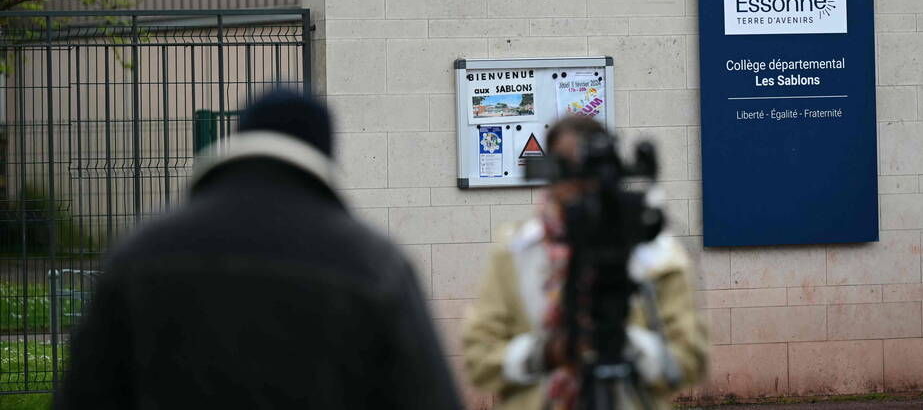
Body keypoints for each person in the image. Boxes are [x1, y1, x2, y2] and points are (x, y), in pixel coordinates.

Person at [57, 90, 462, 410]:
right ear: (325, 157)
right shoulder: (374, 264)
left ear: (241, 141)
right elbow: (426, 396)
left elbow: (84, 394)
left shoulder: (140, 252)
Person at [462, 115, 707, 410]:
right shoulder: (515, 252)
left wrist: (621, 345)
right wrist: (548, 352)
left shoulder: (656, 254)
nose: (576, 186)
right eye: (565, 169)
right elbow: (479, 358)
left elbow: (689, 359)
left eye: (587, 171)